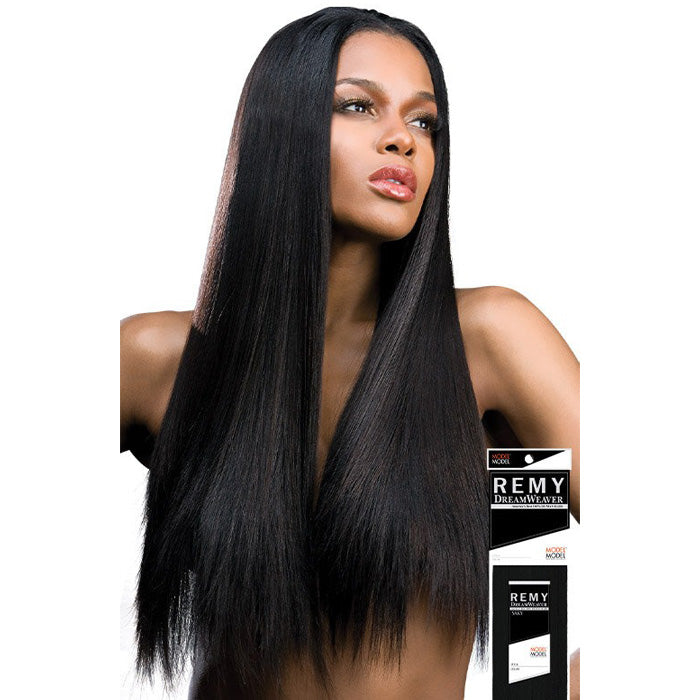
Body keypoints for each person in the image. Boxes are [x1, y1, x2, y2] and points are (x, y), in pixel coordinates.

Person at [120, 7, 580, 699]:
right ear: (280, 128)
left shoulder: (488, 342)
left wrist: (549, 689)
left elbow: (538, 601)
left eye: (424, 122)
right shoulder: (155, 358)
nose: (402, 139)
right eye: (358, 106)